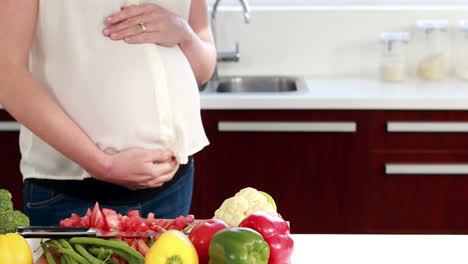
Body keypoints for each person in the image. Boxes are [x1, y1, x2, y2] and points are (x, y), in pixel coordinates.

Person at [0, 0, 216, 225]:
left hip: (172, 184)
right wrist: (103, 165)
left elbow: (202, 70)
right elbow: (7, 75)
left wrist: (184, 33)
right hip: (73, 193)